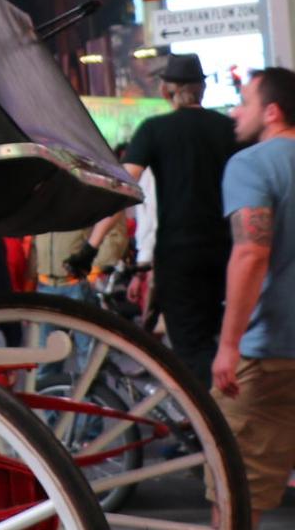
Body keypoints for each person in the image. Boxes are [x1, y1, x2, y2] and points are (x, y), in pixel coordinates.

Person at [97, 53, 234, 383]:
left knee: (191, 348)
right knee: (225, 338)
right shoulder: (229, 128)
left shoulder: (154, 130)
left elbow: (123, 188)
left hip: (178, 255)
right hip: (228, 252)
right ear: (202, 89)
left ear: (165, 90)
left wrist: (92, 243)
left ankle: (211, 411)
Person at [212, 66, 295, 525]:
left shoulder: (251, 164)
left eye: (244, 103)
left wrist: (229, 344)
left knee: (236, 480)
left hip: (270, 352)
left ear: (272, 111)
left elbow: (250, 254)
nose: (234, 113)